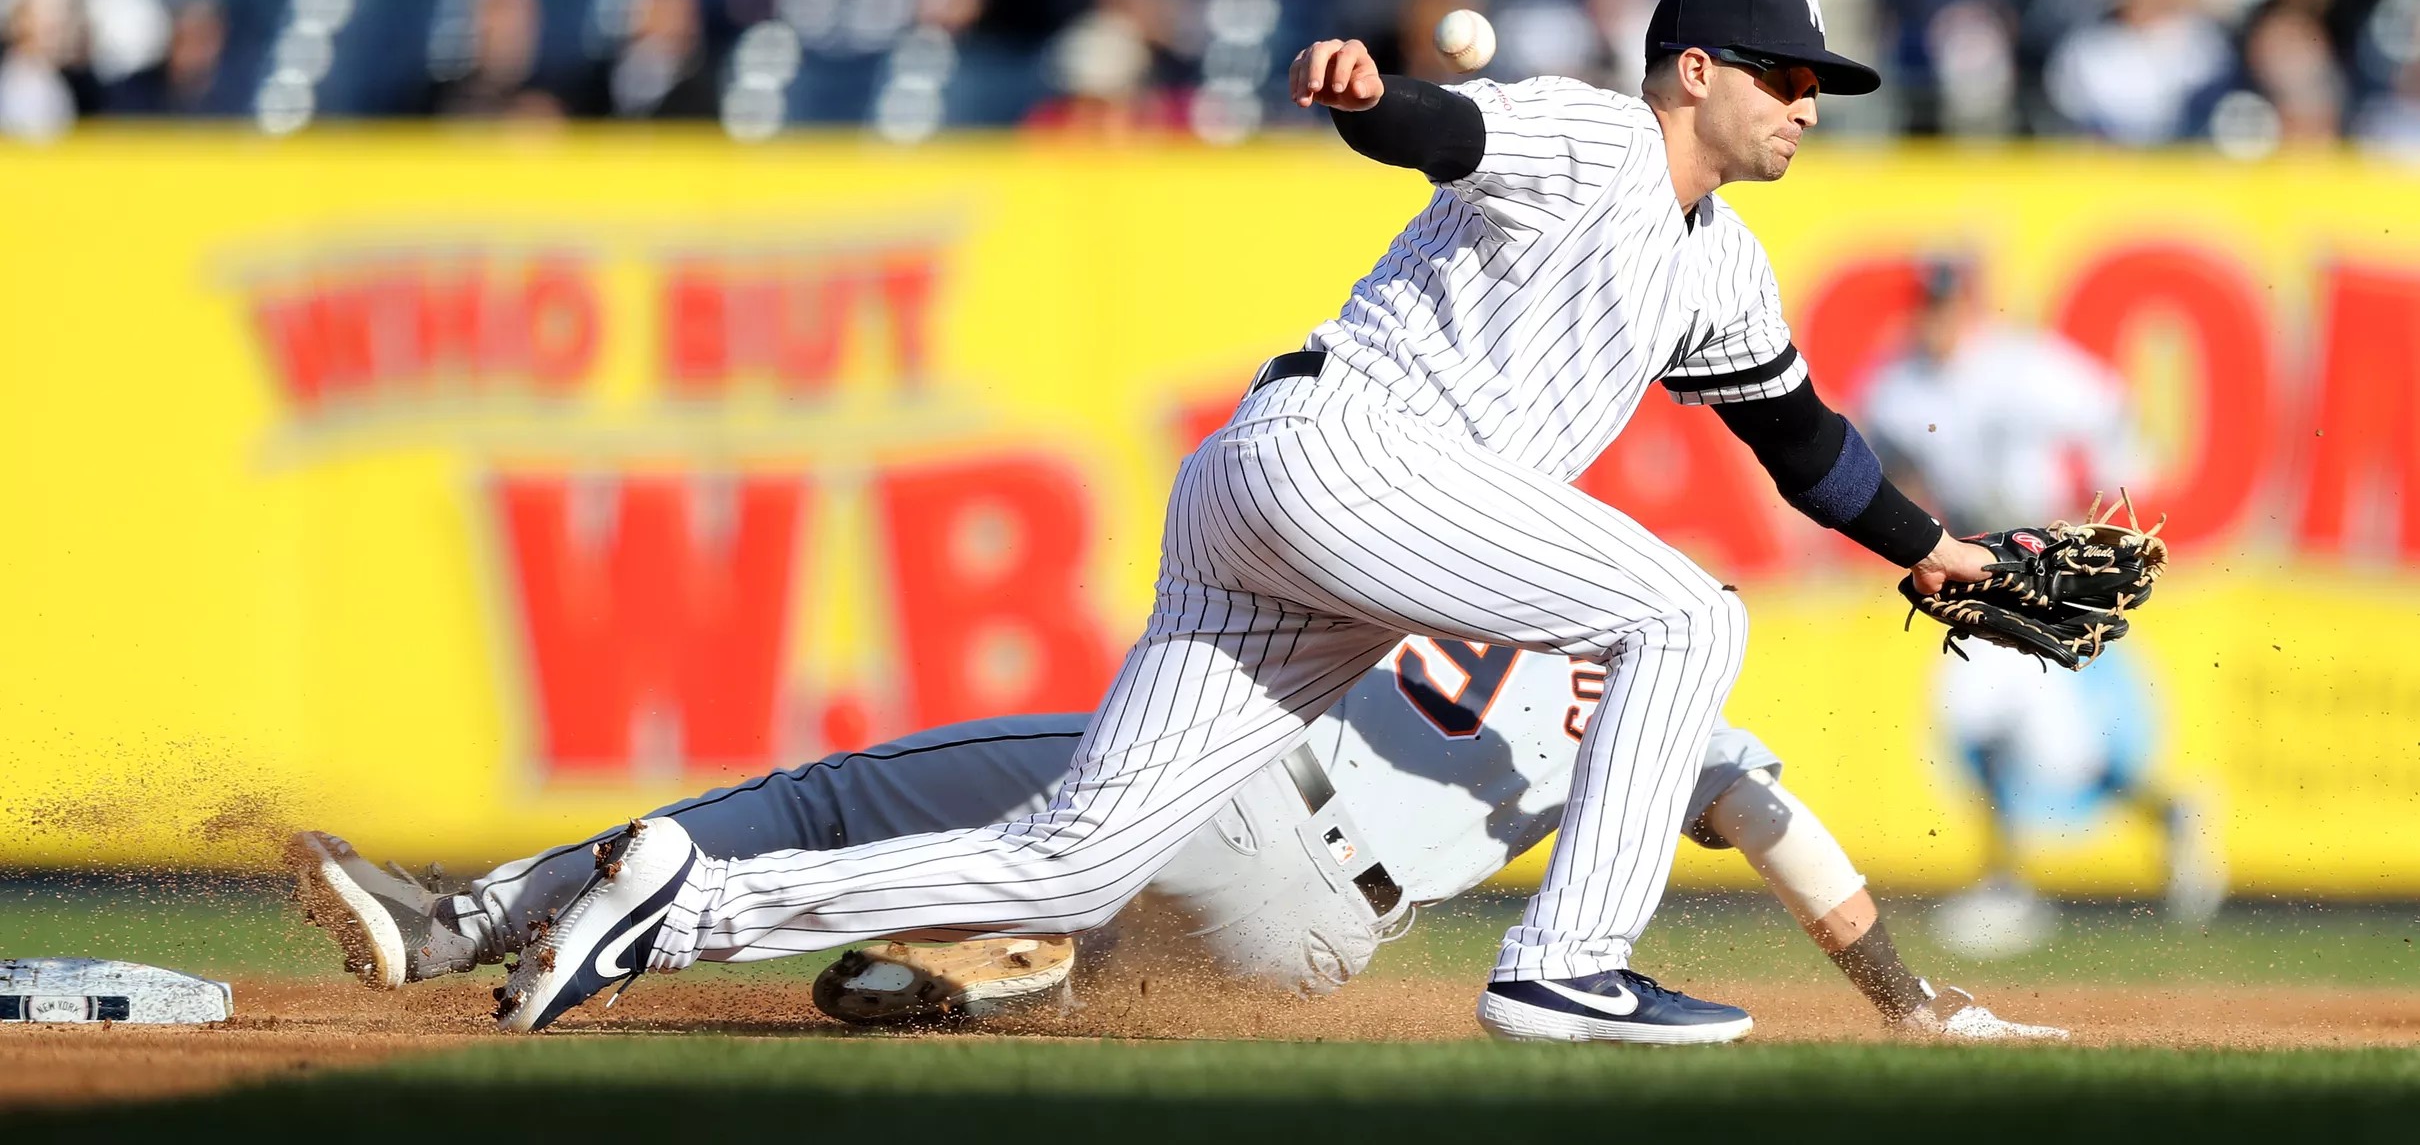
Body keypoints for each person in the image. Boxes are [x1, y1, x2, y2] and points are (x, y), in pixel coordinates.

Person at [478, 0, 1994, 1042]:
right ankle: (1568, 967)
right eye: (1789, 77)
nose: (1810, 104)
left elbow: (1801, 443)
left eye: (1822, 87)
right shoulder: (1598, 135)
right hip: (1353, 455)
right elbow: (1439, 130)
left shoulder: (1722, 258)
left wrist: (1940, 557)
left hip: (1295, 519)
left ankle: (681, 906)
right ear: (1697, 73)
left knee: (1076, 858)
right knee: (1683, 614)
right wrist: (1366, 94)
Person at [291, 634, 2061, 1040]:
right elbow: (1804, 858)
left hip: (1233, 794)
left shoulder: (1477, 541)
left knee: (840, 798)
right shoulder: (1700, 705)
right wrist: (1911, 1003)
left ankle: (476, 922)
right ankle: (1016, 968)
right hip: (1308, 943)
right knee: (1096, 945)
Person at [1862, 260, 2225, 953]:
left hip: (2041, 558)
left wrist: (2113, 506)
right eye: (1927, 304)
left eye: (1948, 302)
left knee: (2016, 734)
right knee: (2016, 736)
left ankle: (2012, 885)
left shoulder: (2018, 365)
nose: (1937, 317)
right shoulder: (1897, 382)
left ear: (1969, 305)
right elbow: (1887, 462)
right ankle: (2160, 815)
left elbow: (2112, 408)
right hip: (1974, 557)